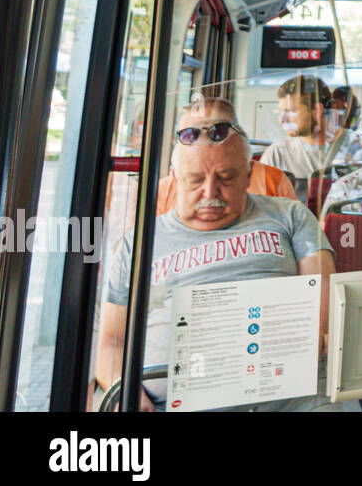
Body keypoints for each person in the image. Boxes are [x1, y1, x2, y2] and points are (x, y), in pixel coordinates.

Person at [98, 108, 341, 411]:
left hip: (288, 400)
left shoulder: (289, 216)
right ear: (174, 178)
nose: (210, 192)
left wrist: (314, 333)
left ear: (249, 175)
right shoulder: (140, 243)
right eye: (194, 180)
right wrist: (128, 394)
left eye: (226, 178)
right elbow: (111, 343)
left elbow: (322, 296)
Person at [156, 97, 296, 214]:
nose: (201, 143)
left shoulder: (273, 180)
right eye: (189, 136)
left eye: (215, 133)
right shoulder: (164, 190)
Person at [261, 75, 357, 200]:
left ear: (317, 110)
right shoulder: (277, 154)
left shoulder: (356, 145)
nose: (282, 119)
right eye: (281, 111)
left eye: (291, 111)